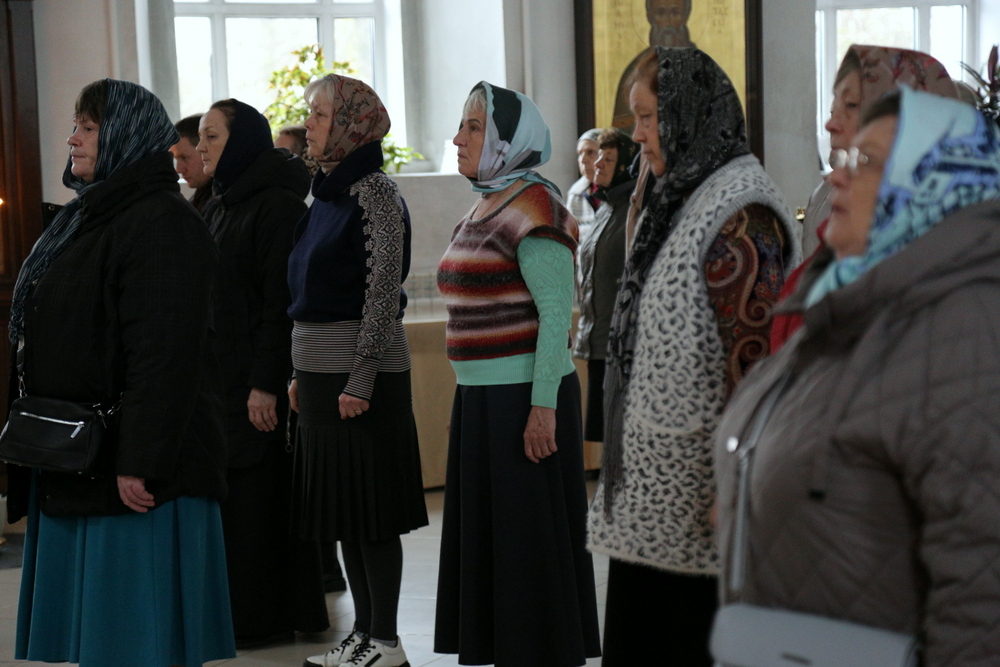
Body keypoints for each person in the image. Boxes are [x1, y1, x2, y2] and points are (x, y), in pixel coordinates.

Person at [715, 87, 1000, 666]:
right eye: (846, 158)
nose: (837, 176)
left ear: (933, 182)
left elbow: (981, 591)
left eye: (867, 162)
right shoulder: (841, 298)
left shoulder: (966, 331)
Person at [8, 78, 234, 667]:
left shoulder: (161, 223)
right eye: (76, 126)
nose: (72, 139)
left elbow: (165, 355)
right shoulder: (91, 217)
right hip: (84, 454)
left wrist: (141, 459)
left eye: (88, 128)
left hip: (135, 469)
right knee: (103, 641)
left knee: (133, 636)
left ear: (124, 137)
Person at [587, 47, 801, 666]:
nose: (637, 135)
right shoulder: (676, 194)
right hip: (653, 500)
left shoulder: (743, 214)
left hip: (702, 510)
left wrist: (737, 488)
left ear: (689, 114)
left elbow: (757, 368)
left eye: (648, 117)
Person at [434, 81, 602, 667]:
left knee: (525, 541)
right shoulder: (485, 202)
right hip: (483, 399)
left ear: (509, 141)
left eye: (474, 127)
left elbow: (557, 314)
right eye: (462, 125)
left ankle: (539, 653)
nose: (458, 138)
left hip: (525, 396)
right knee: (494, 541)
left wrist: (542, 407)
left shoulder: (534, 205)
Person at [287, 73, 428, 667]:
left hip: (361, 380)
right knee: (345, 515)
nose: (310, 125)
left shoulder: (376, 193)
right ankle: (363, 635)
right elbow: (305, 292)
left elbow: (381, 290)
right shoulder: (326, 194)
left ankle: (386, 641)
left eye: (320, 115)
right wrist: (299, 373)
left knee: (371, 517)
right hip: (322, 379)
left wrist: (361, 376)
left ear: (350, 124)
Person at [197, 98, 328, 647]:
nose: (201, 147)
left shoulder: (276, 207)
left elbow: (280, 305)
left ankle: (267, 618)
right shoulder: (220, 203)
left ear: (243, 142)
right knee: (237, 502)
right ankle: (240, 615)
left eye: (211, 137)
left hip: (255, 384)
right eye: (200, 137)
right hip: (221, 379)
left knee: (261, 502)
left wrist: (263, 384)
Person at [772, 45, 958, 351]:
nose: (831, 124)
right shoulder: (844, 234)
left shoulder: (935, 268)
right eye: (833, 109)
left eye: (852, 105)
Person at [572, 127, 638, 445]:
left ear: (626, 164)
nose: (597, 164)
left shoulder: (635, 211)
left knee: (623, 437)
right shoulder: (606, 208)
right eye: (597, 156)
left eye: (608, 159)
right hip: (599, 341)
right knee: (609, 438)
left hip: (623, 345)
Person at [612, 0, 696, 131]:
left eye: (675, 13)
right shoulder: (635, 71)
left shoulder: (704, 68)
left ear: (686, 14)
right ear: (649, 16)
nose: (668, 23)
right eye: (661, 13)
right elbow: (623, 130)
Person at [171, 113, 213, 213]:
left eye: (184, 157)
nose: (179, 169)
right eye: (176, 159)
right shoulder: (200, 198)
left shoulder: (225, 203)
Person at [565, 128, 601, 233]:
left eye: (591, 152)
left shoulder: (620, 192)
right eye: (580, 153)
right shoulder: (576, 193)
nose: (583, 160)